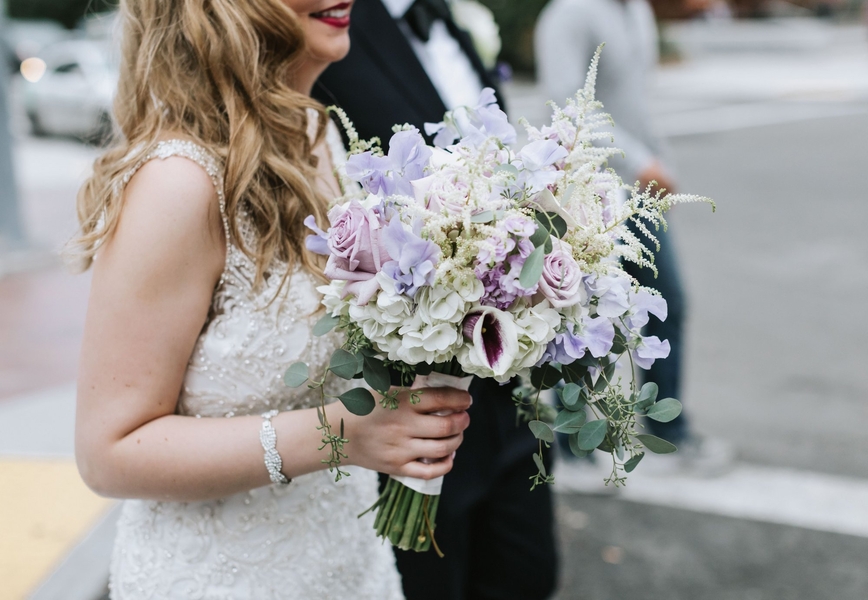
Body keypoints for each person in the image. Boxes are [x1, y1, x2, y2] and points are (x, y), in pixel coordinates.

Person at [71, 1, 474, 598]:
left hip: (349, 564)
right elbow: (108, 453)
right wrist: (343, 435)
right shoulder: (178, 183)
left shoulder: (319, 133)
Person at [315, 1, 559, 599]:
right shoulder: (328, 24)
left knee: (529, 575)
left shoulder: (452, 21)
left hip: (508, 393)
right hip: (408, 399)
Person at [536, 0, 733, 481]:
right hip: (588, 191)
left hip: (638, 192)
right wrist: (641, 161)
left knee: (666, 306)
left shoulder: (636, 10)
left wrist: (658, 160)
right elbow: (568, 107)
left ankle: (668, 431)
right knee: (580, 320)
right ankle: (572, 446)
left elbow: (635, 103)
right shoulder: (569, 14)